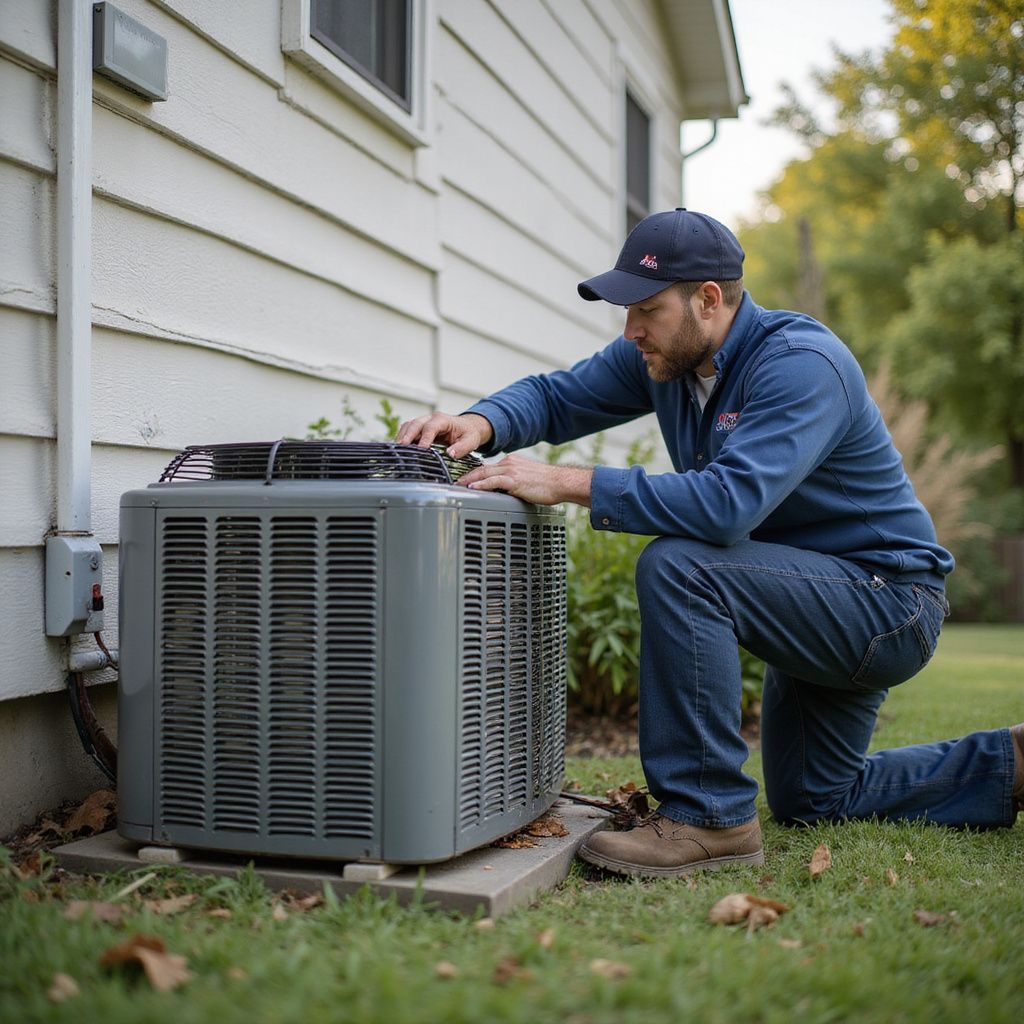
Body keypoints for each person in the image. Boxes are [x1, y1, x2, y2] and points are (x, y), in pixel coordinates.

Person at [397, 208, 1023, 878]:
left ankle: (707, 818)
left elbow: (729, 507)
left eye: (648, 309)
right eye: (625, 310)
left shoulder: (801, 364)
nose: (631, 329)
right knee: (817, 796)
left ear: (709, 299)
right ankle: (1011, 763)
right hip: (811, 590)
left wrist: (565, 481)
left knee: (681, 565)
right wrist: (479, 420)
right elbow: (558, 397)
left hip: (887, 602)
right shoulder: (664, 357)